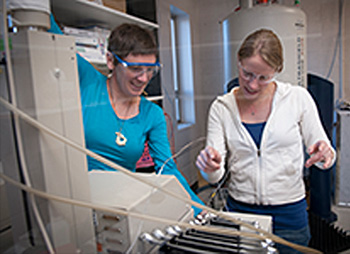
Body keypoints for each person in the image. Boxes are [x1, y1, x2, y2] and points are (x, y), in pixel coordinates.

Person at [196, 29, 336, 253]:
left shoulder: (298, 99)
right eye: (247, 74)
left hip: (289, 216)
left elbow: (323, 152)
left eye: (263, 78)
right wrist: (209, 167)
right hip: (240, 214)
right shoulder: (221, 107)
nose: (252, 84)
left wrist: (325, 154)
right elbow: (215, 174)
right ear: (238, 62)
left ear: (277, 71)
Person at [49, 17, 203, 215]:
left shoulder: (152, 114)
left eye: (150, 70)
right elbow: (50, 29)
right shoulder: (89, 82)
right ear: (111, 60)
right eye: (135, 68)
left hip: (121, 207)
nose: (144, 78)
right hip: (74, 201)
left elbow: (167, 169)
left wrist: (202, 210)